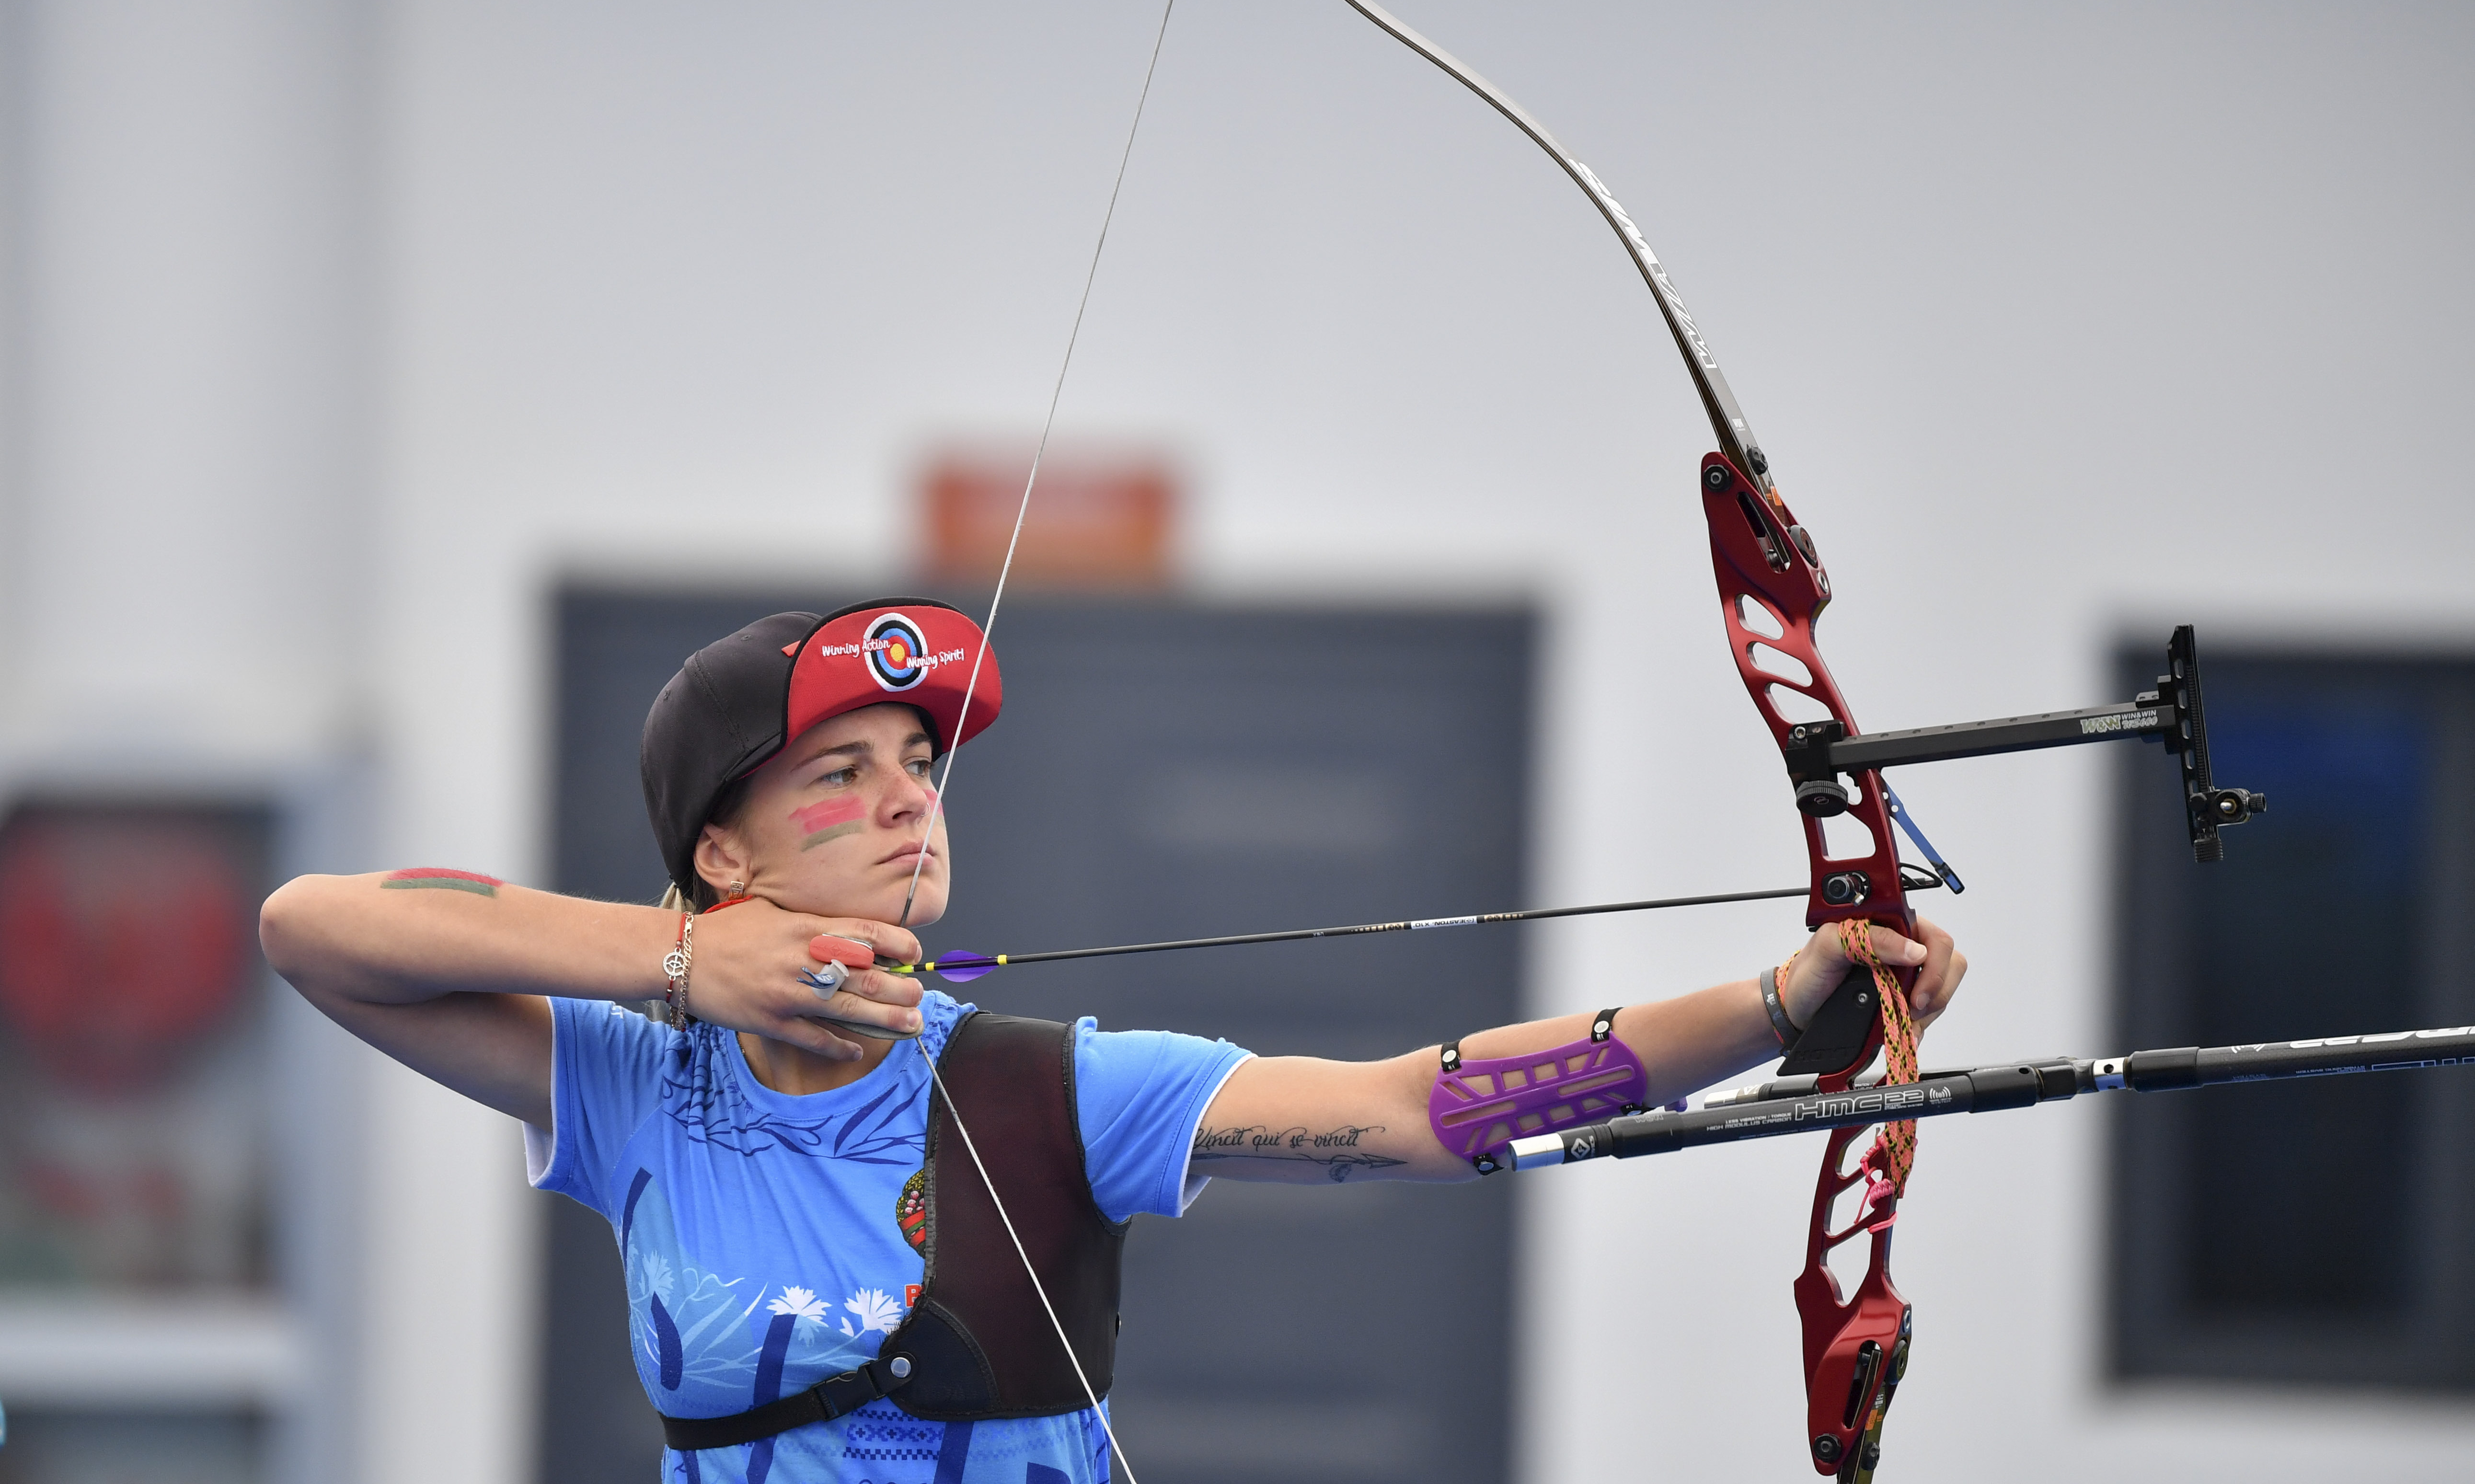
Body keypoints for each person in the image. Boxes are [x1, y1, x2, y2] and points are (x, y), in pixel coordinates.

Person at [261, 598, 1966, 1484]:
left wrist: (1769, 1011)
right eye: (837, 774)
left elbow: (1411, 1111)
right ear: (723, 846)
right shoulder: (641, 1082)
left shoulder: (1051, 1091)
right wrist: (686, 965)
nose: (904, 802)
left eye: (919, 767)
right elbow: (316, 931)